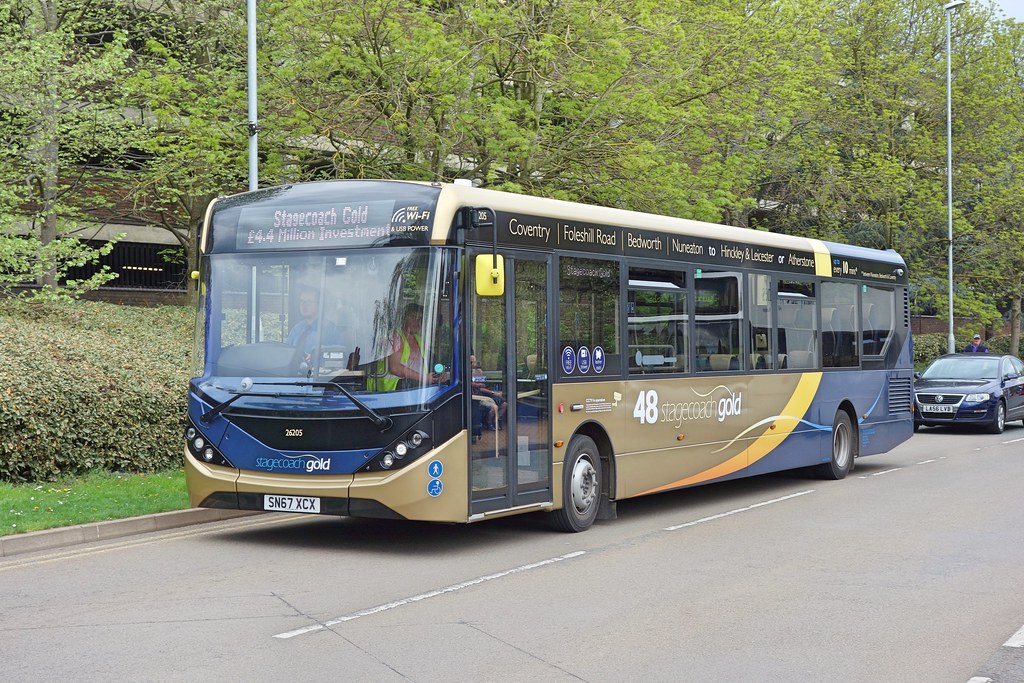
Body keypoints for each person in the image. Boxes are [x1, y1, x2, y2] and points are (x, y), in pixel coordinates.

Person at [386, 303, 442, 386]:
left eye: (420, 318)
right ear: (404, 318)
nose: (417, 322)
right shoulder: (395, 337)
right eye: (413, 317)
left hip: (417, 388)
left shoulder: (419, 340)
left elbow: (432, 362)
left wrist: (441, 372)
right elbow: (395, 368)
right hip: (394, 389)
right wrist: (423, 378)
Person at [287, 287, 331, 360]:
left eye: (309, 302)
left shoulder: (330, 330)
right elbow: (287, 353)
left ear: (319, 304)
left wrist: (316, 357)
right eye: (302, 301)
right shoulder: (296, 329)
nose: (304, 305)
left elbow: (337, 356)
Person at [470, 354, 506, 430]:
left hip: (486, 395)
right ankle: (489, 423)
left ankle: (496, 420)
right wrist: (493, 393)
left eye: (474, 362)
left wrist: (494, 393)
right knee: (494, 407)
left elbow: (483, 385)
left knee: (504, 405)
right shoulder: (466, 374)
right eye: (471, 362)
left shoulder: (478, 371)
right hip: (477, 398)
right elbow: (479, 387)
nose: (473, 364)